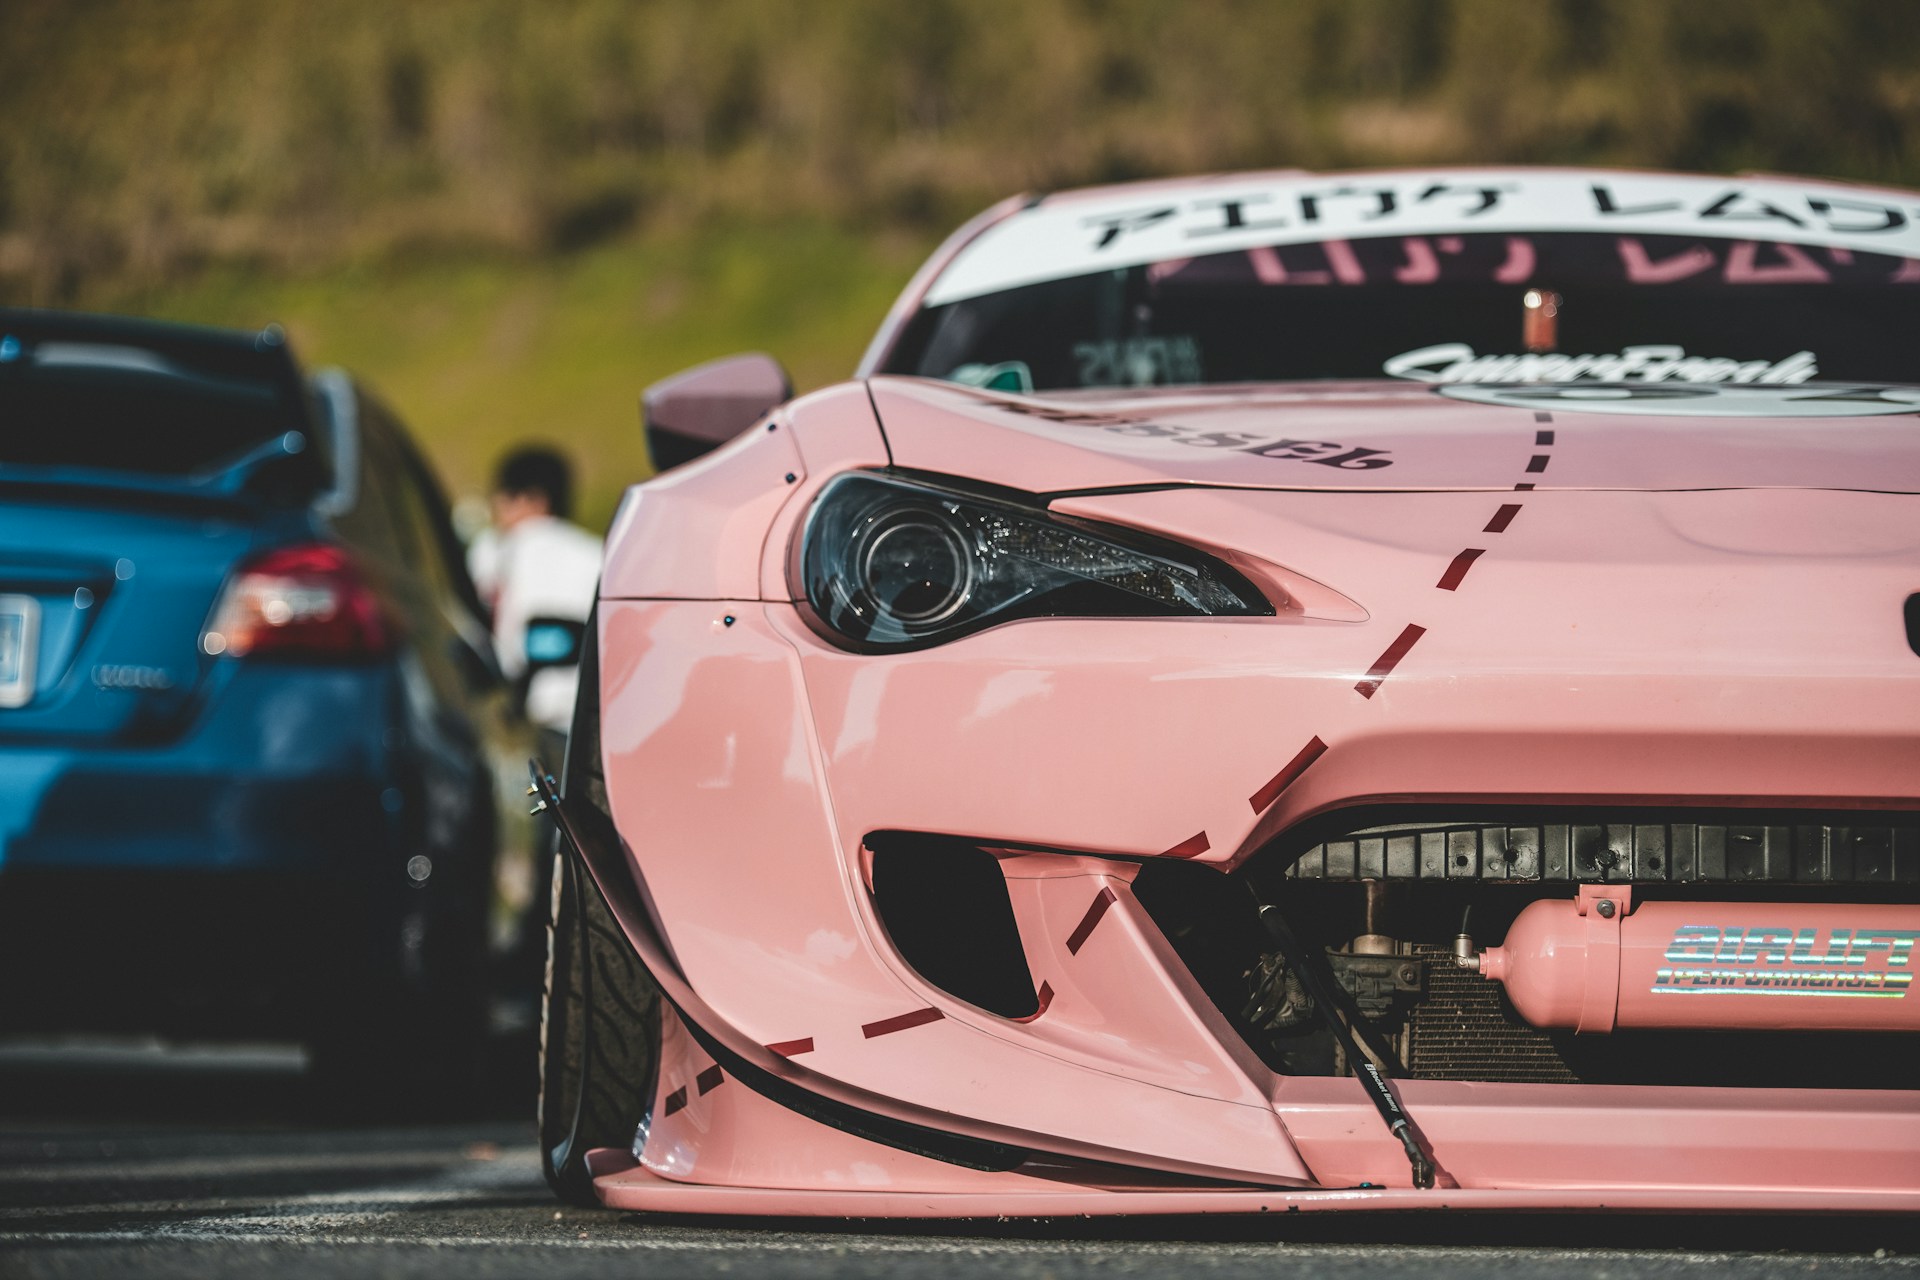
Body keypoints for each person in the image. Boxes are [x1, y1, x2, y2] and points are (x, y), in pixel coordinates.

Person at [467, 445, 603, 739]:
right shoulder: (597, 554)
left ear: (533, 499)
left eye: (504, 497)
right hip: (588, 715)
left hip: (512, 714)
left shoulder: (489, 550)